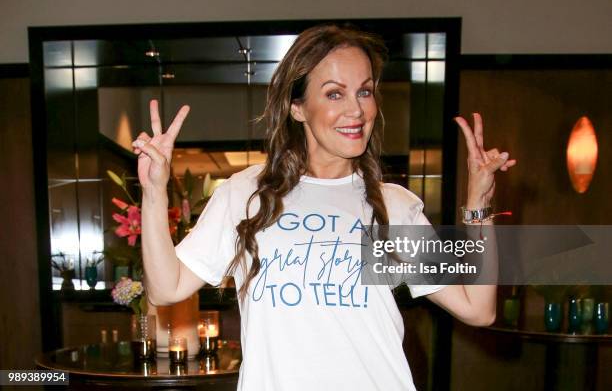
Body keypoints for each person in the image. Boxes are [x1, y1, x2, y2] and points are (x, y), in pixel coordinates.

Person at [131, 24, 516, 391]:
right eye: (335, 93)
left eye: (365, 91)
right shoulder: (246, 194)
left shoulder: (392, 204)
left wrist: (478, 204)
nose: (357, 110)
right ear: (297, 107)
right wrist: (153, 193)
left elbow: (477, 308)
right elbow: (167, 289)